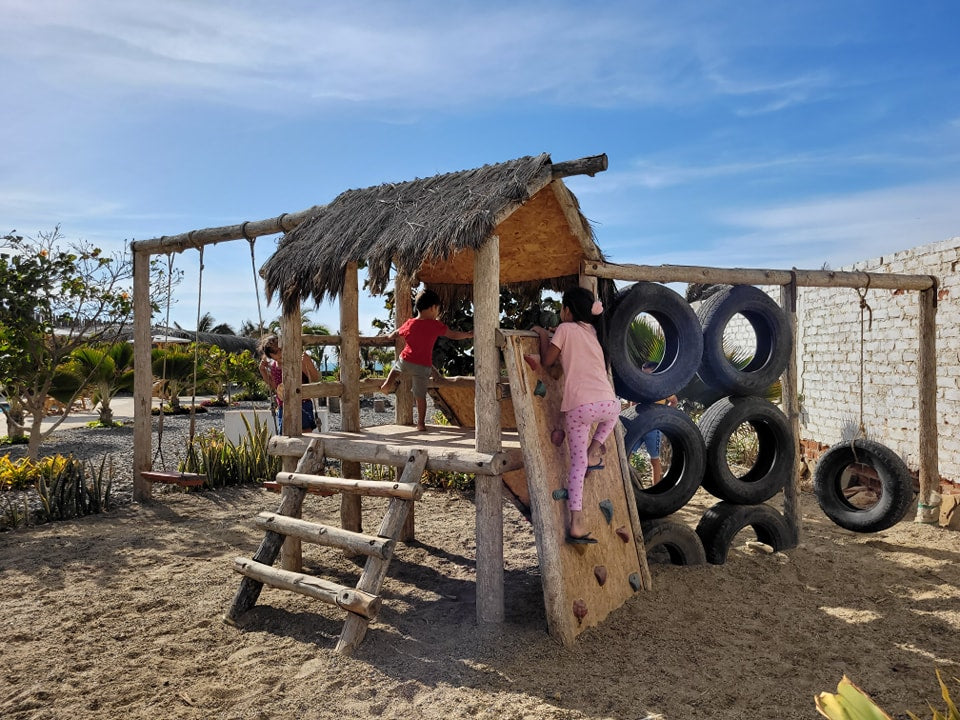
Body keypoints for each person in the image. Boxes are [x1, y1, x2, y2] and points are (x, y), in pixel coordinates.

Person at [531, 287, 619, 545]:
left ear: (567, 310)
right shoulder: (592, 332)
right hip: (608, 403)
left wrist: (540, 334)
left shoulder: (565, 329)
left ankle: (577, 523)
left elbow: (548, 361)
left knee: (578, 467)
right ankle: (596, 448)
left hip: (579, 408)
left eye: (562, 308)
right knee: (612, 415)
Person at [380, 289, 473, 431]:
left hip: (407, 360)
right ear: (432, 308)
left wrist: (388, 336)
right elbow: (453, 335)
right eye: (437, 309)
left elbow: (396, 333)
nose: (437, 313)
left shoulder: (410, 323)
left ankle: (387, 385)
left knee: (396, 368)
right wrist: (467, 335)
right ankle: (421, 424)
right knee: (420, 396)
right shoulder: (435, 325)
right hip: (423, 366)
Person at [257, 334, 320, 433]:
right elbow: (274, 387)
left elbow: (315, 379)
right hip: (284, 406)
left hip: (302, 403)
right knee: (285, 434)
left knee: (306, 433)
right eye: (277, 357)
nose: (280, 357)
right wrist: (263, 371)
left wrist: (309, 364)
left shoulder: (298, 361)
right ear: (271, 357)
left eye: (281, 351)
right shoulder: (274, 366)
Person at [638, 361, 679, 486]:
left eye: (648, 373)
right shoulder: (639, 386)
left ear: (655, 372)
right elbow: (632, 405)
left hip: (653, 427)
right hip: (638, 426)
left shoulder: (662, 388)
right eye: (643, 374)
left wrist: (663, 415)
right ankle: (630, 485)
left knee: (654, 461)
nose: (645, 377)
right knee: (626, 456)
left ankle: (656, 487)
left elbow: (674, 401)